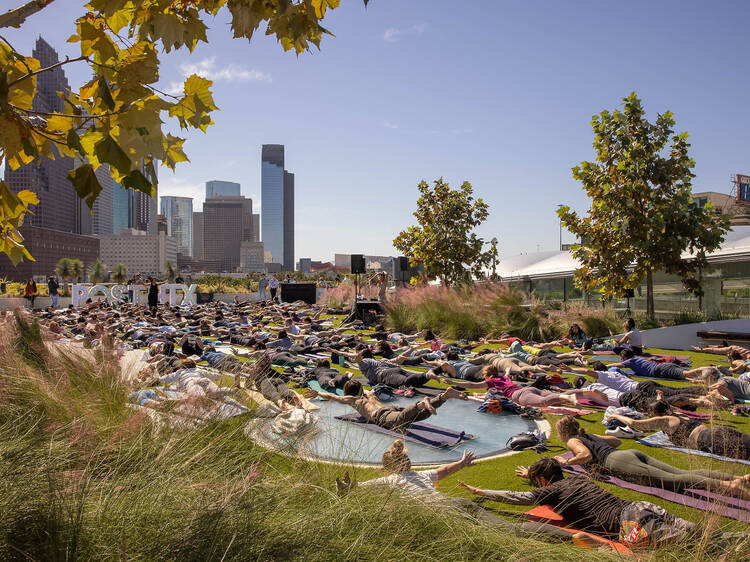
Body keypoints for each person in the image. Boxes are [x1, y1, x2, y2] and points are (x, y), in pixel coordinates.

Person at [458, 457, 747, 550]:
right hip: (641, 507)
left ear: (544, 481)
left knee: (697, 546)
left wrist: (481, 492)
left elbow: (519, 499)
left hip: (630, 524)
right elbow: (542, 478)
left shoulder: (552, 491)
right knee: (707, 539)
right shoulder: (575, 480)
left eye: (537, 481)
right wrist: (529, 472)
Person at [554, 416, 749, 498]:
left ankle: (728, 486)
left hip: (616, 461)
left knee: (672, 480)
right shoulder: (587, 435)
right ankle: (737, 478)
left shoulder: (573, 440)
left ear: (563, 432)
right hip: (627, 453)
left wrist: (567, 461)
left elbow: (585, 455)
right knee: (681, 472)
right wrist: (598, 444)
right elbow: (616, 441)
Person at [608, 400, 750, 460]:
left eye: (650, 414)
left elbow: (634, 423)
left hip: (708, 440)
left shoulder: (664, 421)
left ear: (656, 414)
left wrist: (616, 415)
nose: (649, 417)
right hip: (716, 431)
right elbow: (662, 405)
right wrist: (660, 399)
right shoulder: (675, 413)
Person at [305, 380, 467, 431]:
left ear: (348, 392)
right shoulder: (369, 393)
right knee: (423, 415)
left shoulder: (353, 400)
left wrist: (318, 393)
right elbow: (362, 387)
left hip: (382, 416)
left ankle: (421, 403)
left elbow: (332, 396)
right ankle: (443, 396)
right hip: (390, 408)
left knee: (400, 420)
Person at [447, 365, 609, 408]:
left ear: (487, 375)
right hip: (528, 388)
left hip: (519, 396)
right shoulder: (503, 377)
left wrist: (453, 382)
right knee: (549, 397)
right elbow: (509, 370)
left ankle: (566, 396)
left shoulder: (490, 382)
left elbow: (471, 385)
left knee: (544, 402)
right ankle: (587, 392)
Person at [610, 349, 721, 381]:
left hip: (660, 369)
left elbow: (617, 364)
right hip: (664, 366)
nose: (621, 360)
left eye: (621, 358)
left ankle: (707, 369)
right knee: (687, 376)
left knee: (686, 374)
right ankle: (711, 375)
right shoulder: (637, 358)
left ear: (624, 358)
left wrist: (604, 366)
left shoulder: (629, 361)